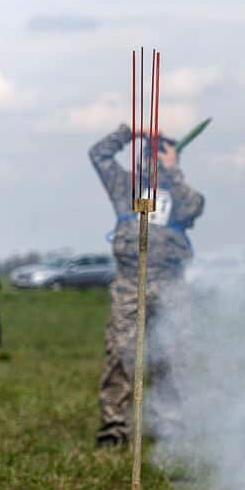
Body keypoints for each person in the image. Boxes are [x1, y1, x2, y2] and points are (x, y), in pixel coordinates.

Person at [89, 123, 206, 447]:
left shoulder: (183, 195)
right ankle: (113, 427)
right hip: (130, 283)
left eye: (161, 156)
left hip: (170, 285)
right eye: (149, 155)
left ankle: (170, 426)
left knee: (172, 355)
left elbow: (194, 209)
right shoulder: (124, 185)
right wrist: (131, 132)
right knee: (120, 354)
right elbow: (98, 155)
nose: (152, 161)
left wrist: (173, 172)